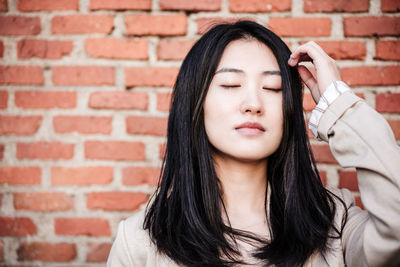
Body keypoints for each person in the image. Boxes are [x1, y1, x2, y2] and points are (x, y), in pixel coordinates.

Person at [107, 20, 400, 266]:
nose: (253, 104)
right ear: (195, 103)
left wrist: (339, 106)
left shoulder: (337, 224)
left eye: (272, 88)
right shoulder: (140, 242)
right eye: (231, 85)